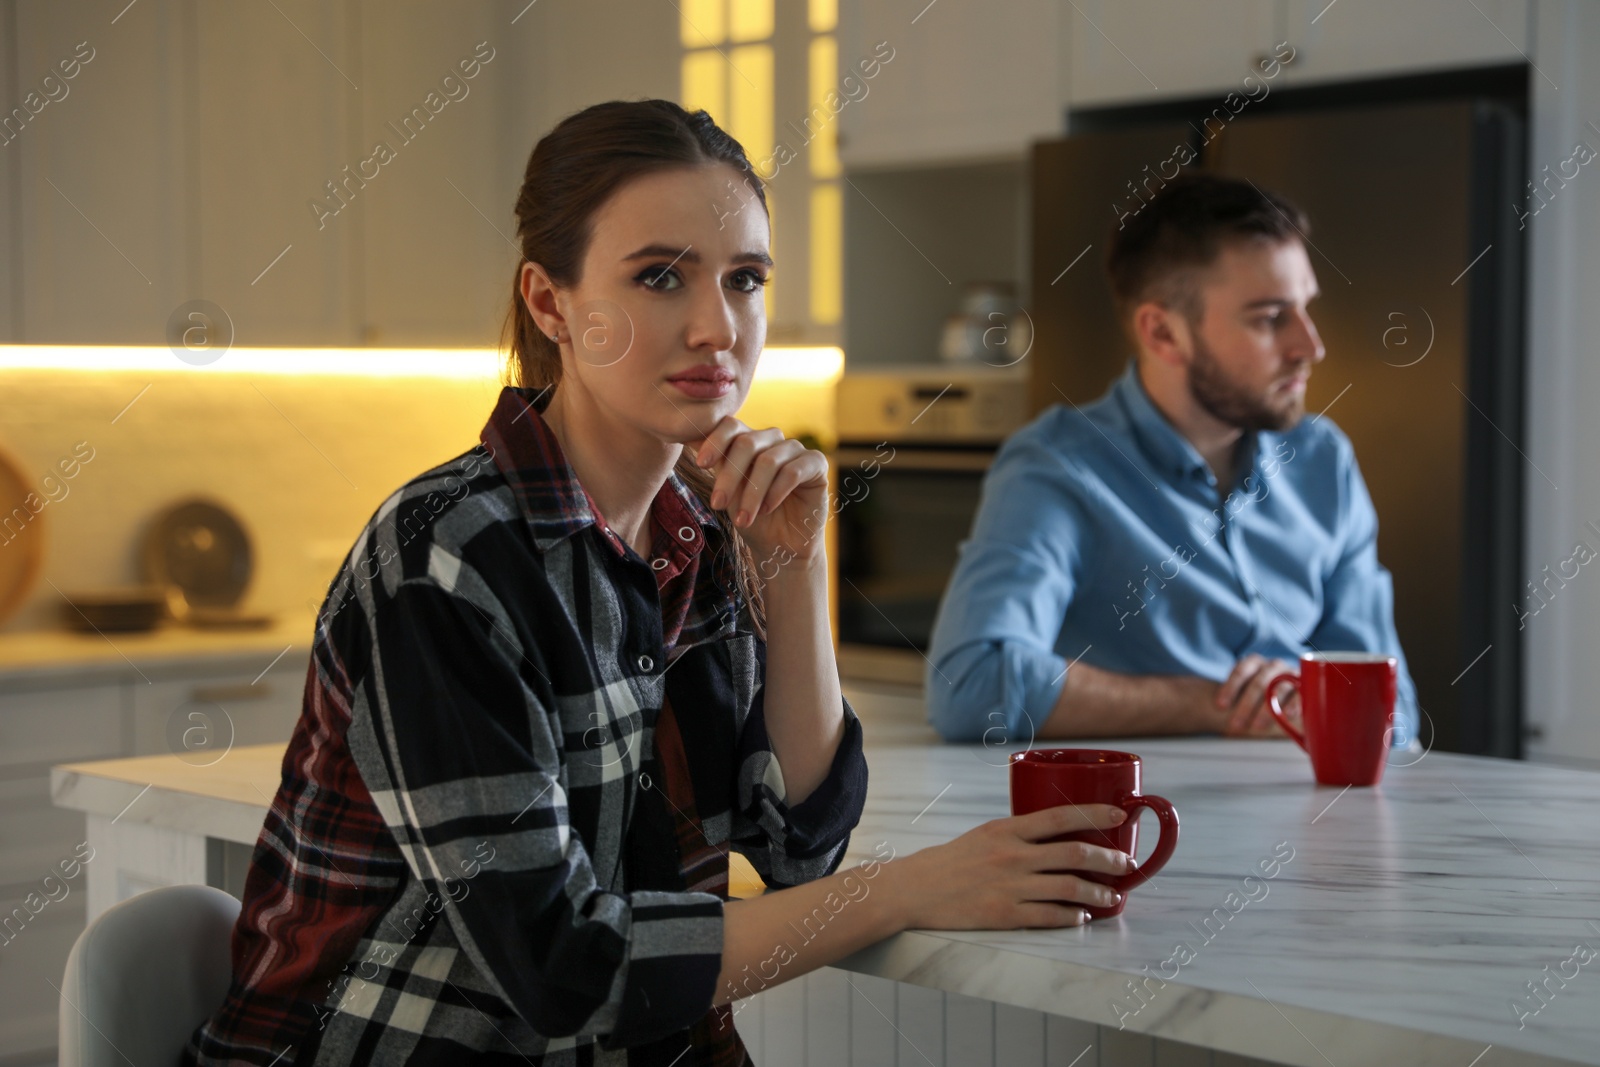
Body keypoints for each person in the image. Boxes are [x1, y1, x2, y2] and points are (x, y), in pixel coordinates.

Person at [184, 100, 1135, 1067]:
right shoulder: (445, 556)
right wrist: (912, 887)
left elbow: (798, 846)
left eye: (745, 279)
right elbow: (565, 967)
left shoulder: (707, 532)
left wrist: (795, 570)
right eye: (659, 277)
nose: (717, 326)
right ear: (552, 304)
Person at [926, 172, 1421, 748]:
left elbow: (1396, 713)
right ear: (1162, 333)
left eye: (1306, 308)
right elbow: (969, 687)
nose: (1310, 346)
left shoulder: (1323, 462)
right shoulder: (1058, 467)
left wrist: (1311, 701)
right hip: (1139, 825)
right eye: (1268, 318)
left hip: (1321, 823)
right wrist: (1213, 702)